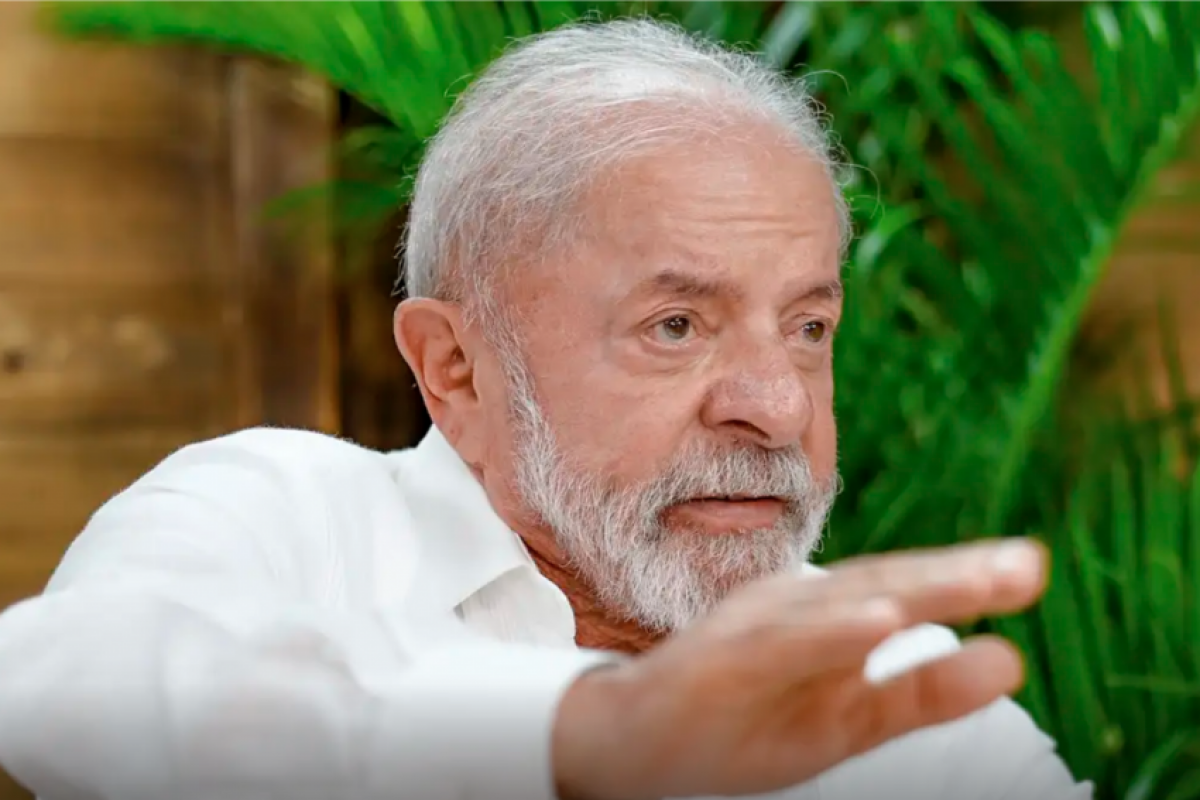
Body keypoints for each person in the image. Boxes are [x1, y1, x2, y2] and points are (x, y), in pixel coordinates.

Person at [0, 18, 1091, 800]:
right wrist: (585, 732)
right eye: (677, 324)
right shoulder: (288, 517)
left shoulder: (900, 690)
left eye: (808, 327)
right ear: (456, 367)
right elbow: (65, 686)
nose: (775, 406)